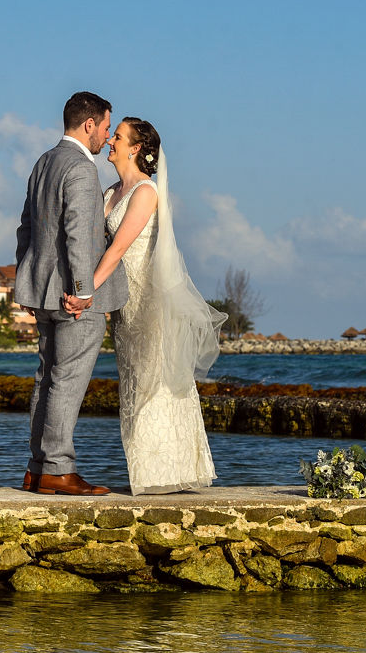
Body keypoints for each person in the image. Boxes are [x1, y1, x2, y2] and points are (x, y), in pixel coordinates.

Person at [65, 118, 224, 494]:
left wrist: (86, 291)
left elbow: (119, 248)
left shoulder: (145, 192)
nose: (110, 142)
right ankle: (146, 471)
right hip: (123, 306)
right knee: (133, 383)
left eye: (117, 137)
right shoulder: (108, 194)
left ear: (135, 148)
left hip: (149, 303)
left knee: (156, 382)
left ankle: (165, 473)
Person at [15, 92, 129, 495]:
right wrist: (83, 291)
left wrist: (25, 280)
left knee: (46, 378)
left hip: (42, 289)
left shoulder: (43, 162)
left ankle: (37, 468)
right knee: (67, 381)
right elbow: (79, 235)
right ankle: (59, 470)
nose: (107, 135)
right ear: (88, 124)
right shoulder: (81, 168)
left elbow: (26, 228)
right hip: (72, 296)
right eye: (105, 126)